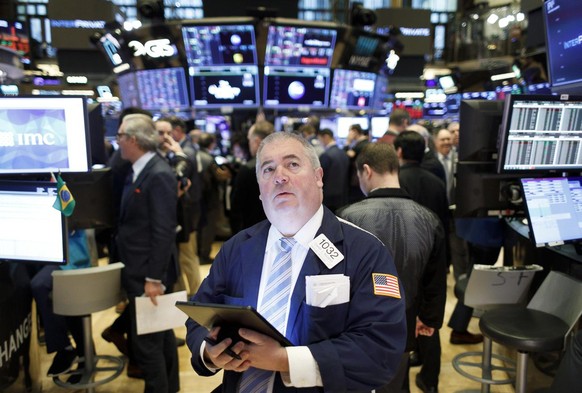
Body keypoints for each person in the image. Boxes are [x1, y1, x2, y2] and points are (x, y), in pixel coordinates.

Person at [185, 132, 406, 392]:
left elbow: (380, 350)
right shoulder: (237, 248)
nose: (280, 176)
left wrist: (283, 360)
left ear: (318, 177)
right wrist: (210, 352)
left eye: (292, 164)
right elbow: (199, 314)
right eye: (268, 169)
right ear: (260, 190)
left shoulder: (365, 251)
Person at [338, 143, 447, 393]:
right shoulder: (430, 219)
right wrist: (429, 319)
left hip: (356, 328)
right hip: (406, 325)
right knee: (397, 380)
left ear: (366, 171)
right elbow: (436, 279)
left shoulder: (346, 218)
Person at [114, 113, 180, 393]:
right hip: (140, 269)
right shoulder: (140, 170)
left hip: (148, 274)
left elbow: (163, 231)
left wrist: (154, 278)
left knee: (147, 345)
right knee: (161, 336)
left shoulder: (159, 173)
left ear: (132, 140)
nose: (116, 142)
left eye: (119, 136)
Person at [230, 120, 274, 234]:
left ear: (256, 141)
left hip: (252, 233)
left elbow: (237, 210)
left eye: (249, 140)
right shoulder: (286, 166)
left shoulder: (248, 169)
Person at [317, 128, 349, 213]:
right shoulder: (343, 153)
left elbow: (320, 178)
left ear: (326, 137)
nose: (319, 143)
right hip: (342, 197)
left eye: (320, 139)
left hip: (328, 198)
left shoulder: (326, 155)